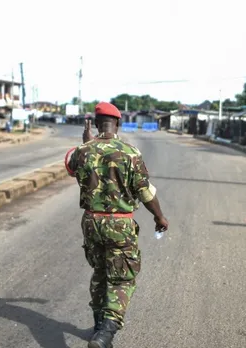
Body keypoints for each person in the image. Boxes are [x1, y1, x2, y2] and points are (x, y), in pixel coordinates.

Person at [66, 102, 169, 348]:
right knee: (122, 278)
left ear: (97, 123)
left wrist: (86, 142)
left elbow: (73, 169)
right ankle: (106, 332)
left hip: (91, 222)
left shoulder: (83, 151)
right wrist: (159, 217)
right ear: (119, 123)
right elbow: (144, 192)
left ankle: (99, 328)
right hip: (119, 225)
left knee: (100, 272)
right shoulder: (130, 152)